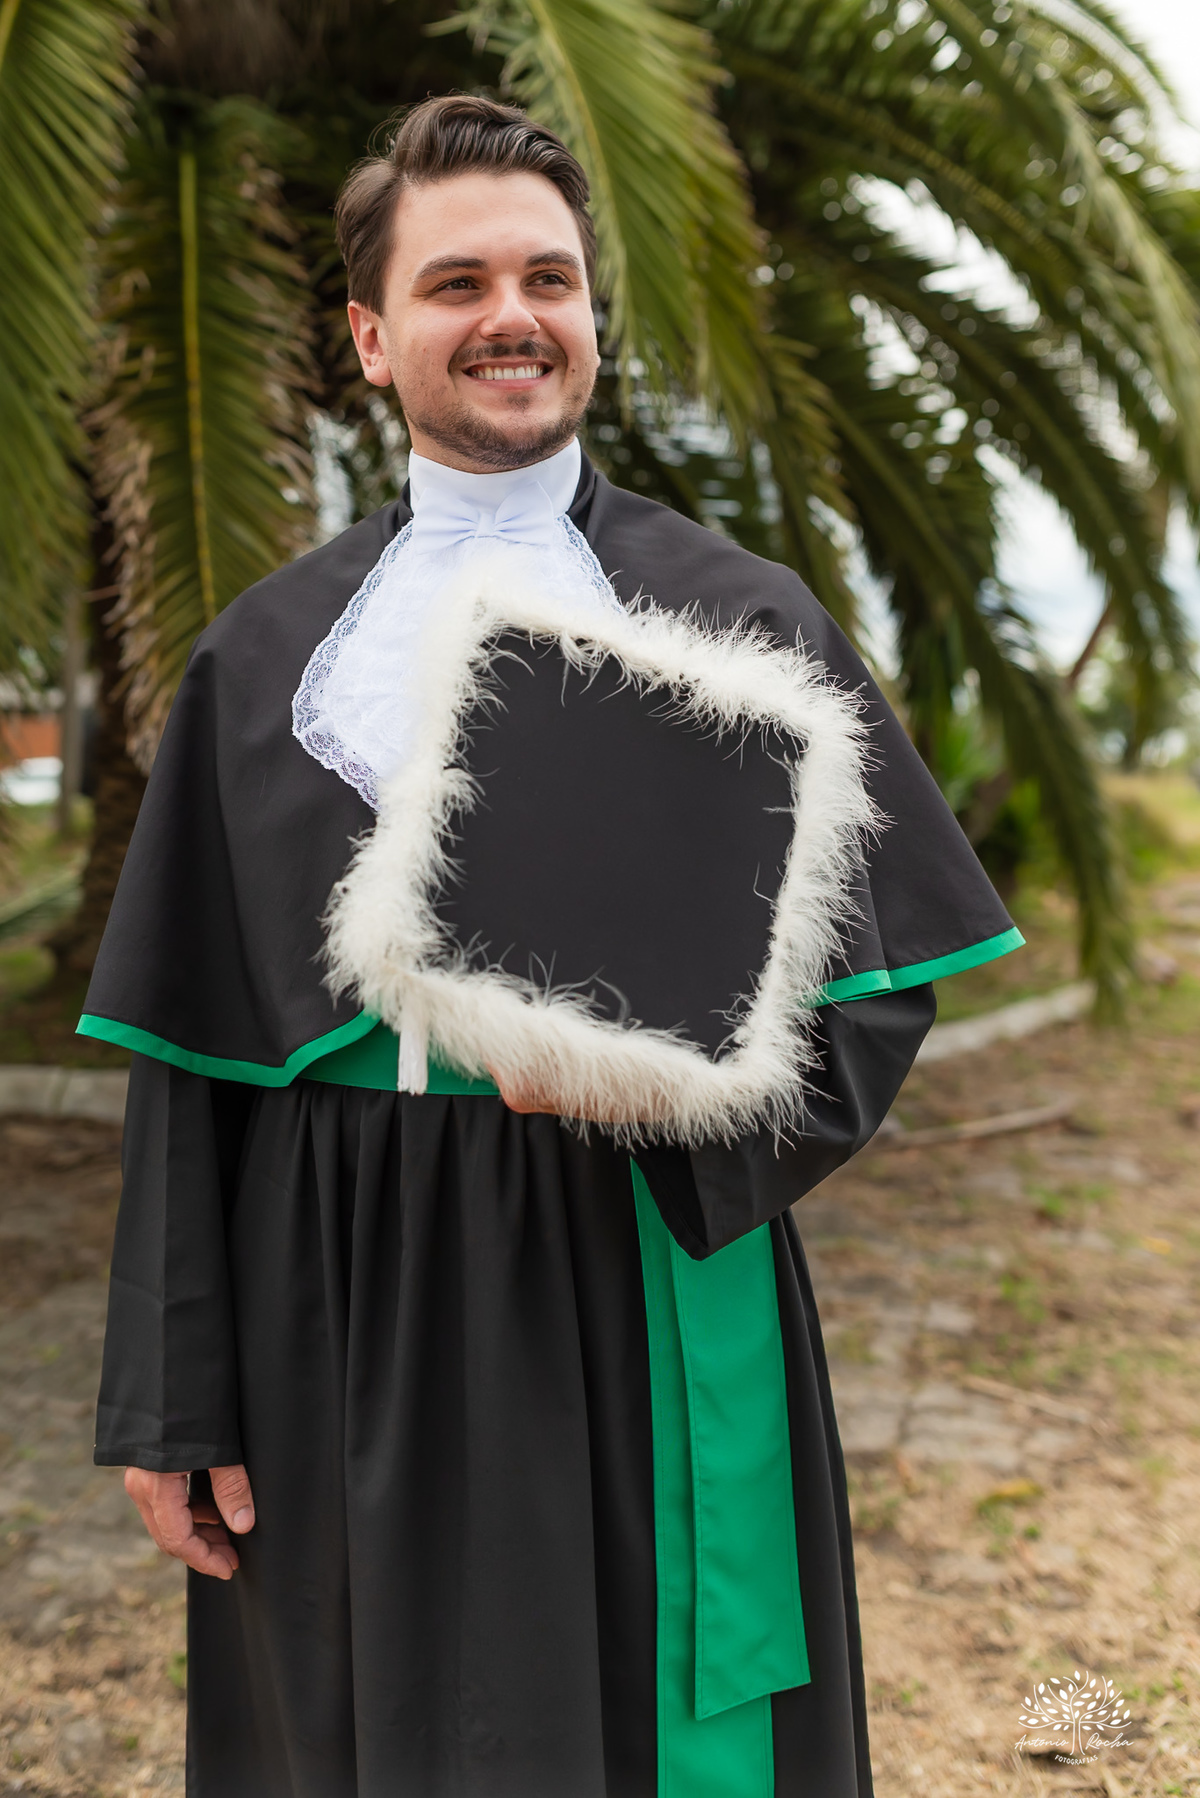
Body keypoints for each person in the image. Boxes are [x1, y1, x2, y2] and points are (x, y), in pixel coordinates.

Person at [83, 95, 1022, 1798]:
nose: (511, 315)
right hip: (335, 1279)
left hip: (638, 1254)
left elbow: (875, 1005)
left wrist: (655, 1096)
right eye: (456, 284)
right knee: (355, 1719)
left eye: (549, 278)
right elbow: (189, 1061)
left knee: (657, 1726)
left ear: (593, 314)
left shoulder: (744, 620)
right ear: (372, 337)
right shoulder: (259, 659)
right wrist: (170, 1395)